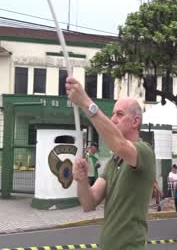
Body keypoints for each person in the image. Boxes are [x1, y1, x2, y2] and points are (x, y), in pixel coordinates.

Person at [68, 76, 155, 250]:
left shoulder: (144, 151)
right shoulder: (114, 160)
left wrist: (86, 103)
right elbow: (89, 203)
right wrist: (82, 179)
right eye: (113, 113)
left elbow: (118, 143)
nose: (113, 118)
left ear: (135, 121)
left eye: (120, 114)